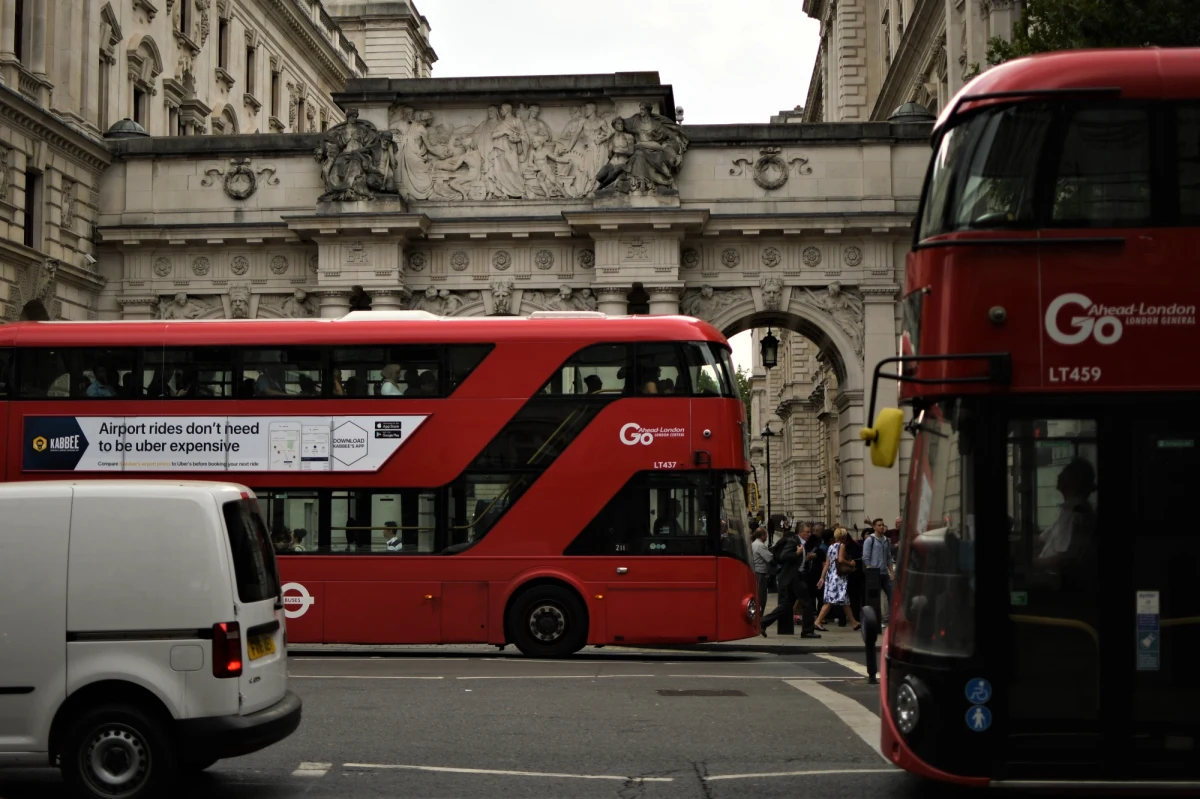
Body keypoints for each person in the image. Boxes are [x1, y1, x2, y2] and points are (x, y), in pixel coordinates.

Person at [760, 524, 820, 638]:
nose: (809, 534)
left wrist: (806, 558)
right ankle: (807, 630)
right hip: (794, 577)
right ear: (800, 532)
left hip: (796, 577)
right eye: (807, 532)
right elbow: (784, 556)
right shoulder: (794, 541)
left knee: (787, 604)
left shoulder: (802, 543)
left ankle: (764, 622)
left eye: (810, 532)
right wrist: (797, 553)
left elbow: (798, 561)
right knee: (808, 603)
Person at [815, 528, 860, 631]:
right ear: (844, 536)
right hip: (838, 576)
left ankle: (854, 623)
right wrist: (851, 563)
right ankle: (817, 621)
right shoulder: (842, 546)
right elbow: (840, 559)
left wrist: (822, 577)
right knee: (831, 601)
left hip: (830, 575)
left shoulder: (830, 547)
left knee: (844, 600)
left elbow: (827, 563)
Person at [863, 518, 895, 624]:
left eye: (883, 525)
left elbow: (889, 557)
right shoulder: (870, 540)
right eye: (879, 525)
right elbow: (866, 557)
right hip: (874, 573)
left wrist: (891, 572)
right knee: (875, 599)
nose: (881, 527)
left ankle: (892, 619)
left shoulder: (886, 540)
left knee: (891, 595)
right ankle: (875, 620)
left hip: (885, 573)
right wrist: (869, 570)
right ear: (874, 527)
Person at [751, 526, 773, 612]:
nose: (767, 536)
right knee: (761, 596)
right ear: (762, 535)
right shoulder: (760, 545)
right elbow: (770, 558)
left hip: (756, 572)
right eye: (766, 535)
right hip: (760, 573)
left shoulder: (753, 544)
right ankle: (759, 616)